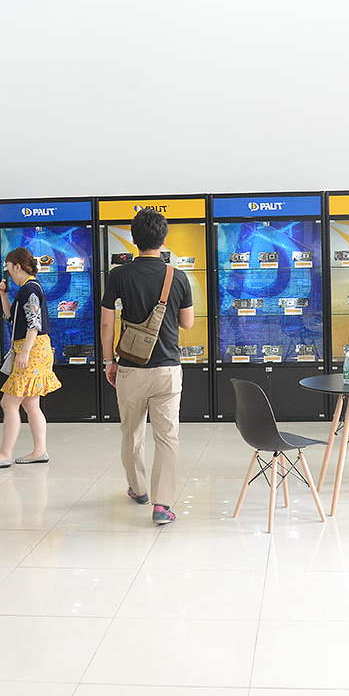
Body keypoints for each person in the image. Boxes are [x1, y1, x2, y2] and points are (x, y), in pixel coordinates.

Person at [99, 209, 194, 525]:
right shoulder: (177, 277)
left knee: (131, 432)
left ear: (134, 240)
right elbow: (187, 322)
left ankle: (138, 489)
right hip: (167, 369)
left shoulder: (118, 275)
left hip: (130, 368)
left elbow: (106, 323)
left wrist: (109, 361)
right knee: (167, 437)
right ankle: (162, 505)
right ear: (164, 240)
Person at [0, 247, 61, 468]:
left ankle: (4, 454)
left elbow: (34, 324)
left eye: (8, 267)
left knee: (8, 402)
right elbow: (10, 317)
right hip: (36, 349)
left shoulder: (29, 289)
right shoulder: (28, 288)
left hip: (31, 351)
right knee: (31, 404)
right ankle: (39, 451)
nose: (8, 272)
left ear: (17, 266)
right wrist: (3, 295)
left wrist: (24, 352)